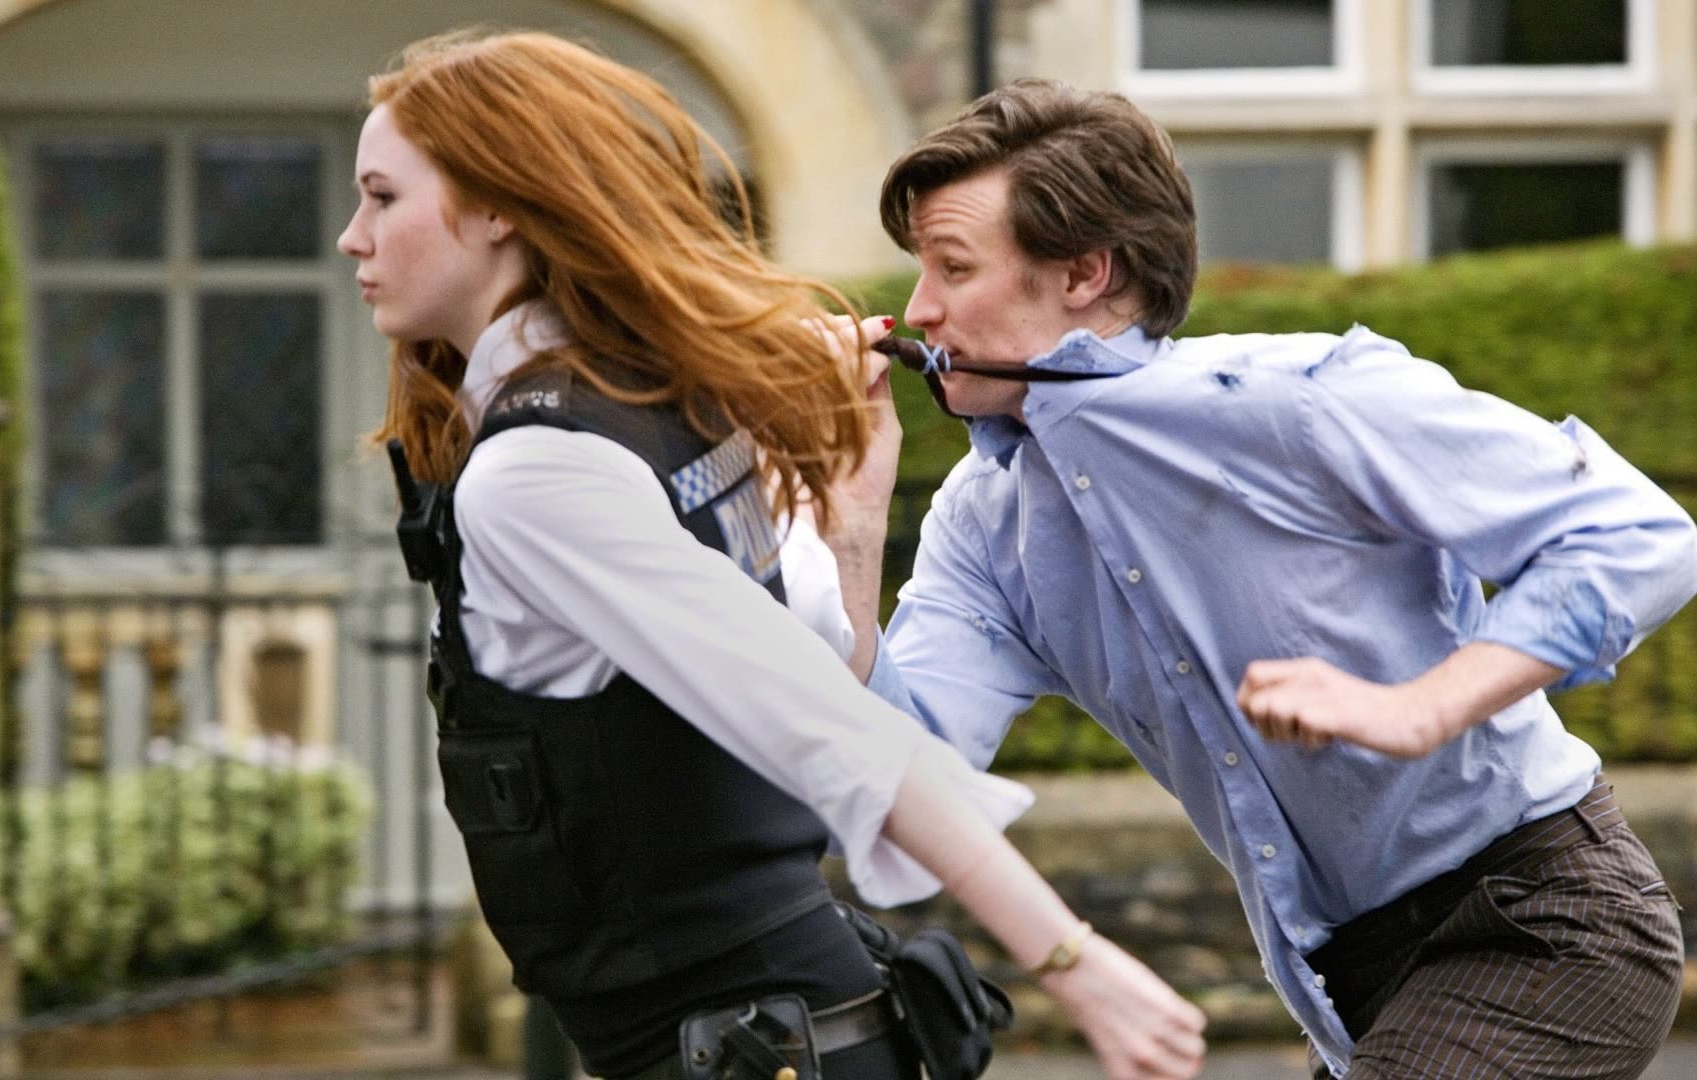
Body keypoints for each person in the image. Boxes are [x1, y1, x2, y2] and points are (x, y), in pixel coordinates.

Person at [336, 31, 1208, 1080]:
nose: (352, 237)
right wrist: (849, 520)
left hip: (758, 1044)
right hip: (787, 1032)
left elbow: (829, 726)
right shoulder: (659, 403)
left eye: (382, 197)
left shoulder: (538, 470)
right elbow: (812, 674)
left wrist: (1071, 958)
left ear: (495, 207)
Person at [824, 78, 1697, 1080]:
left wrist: (1420, 707)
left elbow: (1636, 536)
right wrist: (850, 524)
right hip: (1349, 985)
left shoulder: (1300, 401)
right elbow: (906, 789)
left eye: (952, 267)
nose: (919, 309)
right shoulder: (984, 526)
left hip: (1546, 919)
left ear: (1084, 272)